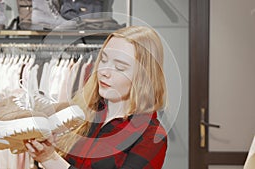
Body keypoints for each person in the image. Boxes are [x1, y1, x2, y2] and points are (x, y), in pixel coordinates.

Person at [25, 25, 168, 169]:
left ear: (144, 77)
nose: (104, 71)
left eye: (119, 67)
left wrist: (51, 159)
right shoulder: (84, 112)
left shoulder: (151, 137)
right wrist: (45, 151)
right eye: (103, 60)